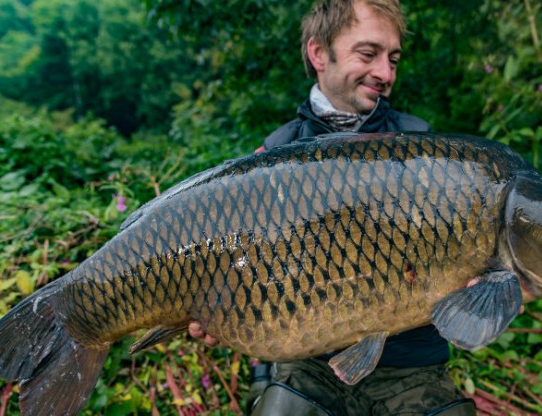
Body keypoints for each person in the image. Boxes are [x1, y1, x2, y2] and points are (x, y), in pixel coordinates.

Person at [189, 1, 477, 414]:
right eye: (368, 54)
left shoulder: (423, 147)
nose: (385, 73)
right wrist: (216, 308)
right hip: (312, 365)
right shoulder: (271, 157)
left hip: (411, 367)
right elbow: (240, 264)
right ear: (319, 53)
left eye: (393, 59)